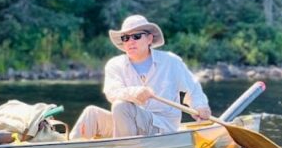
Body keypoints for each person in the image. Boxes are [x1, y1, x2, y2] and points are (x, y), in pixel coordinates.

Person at [71, 14, 211, 139]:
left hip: (162, 128)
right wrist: (134, 92)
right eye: (125, 38)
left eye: (136, 36)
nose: (130, 41)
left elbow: (193, 89)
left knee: (121, 106)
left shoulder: (171, 62)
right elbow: (112, 92)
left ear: (149, 38)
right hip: (128, 124)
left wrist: (200, 106)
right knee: (91, 113)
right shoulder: (115, 64)